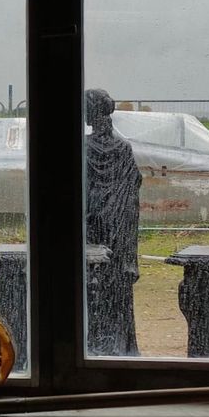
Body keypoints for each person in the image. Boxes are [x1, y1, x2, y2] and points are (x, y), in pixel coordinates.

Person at [85, 88, 141, 356]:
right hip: (118, 224)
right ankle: (119, 343)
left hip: (92, 221)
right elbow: (134, 186)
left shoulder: (83, 147)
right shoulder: (123, 147)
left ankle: (95, 343)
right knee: (115, 288)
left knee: (92, 285)